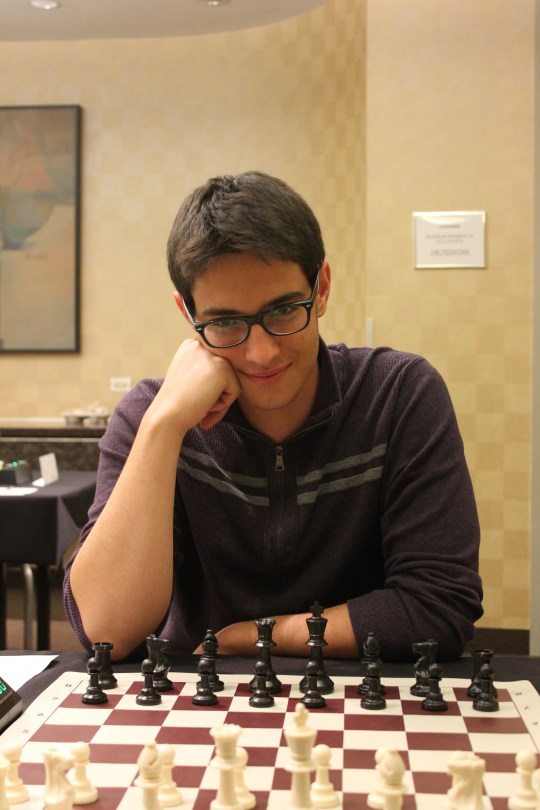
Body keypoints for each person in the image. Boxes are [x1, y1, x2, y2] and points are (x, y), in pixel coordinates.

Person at [63, 171, 483, 662]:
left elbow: (438, 606)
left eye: (283, 311)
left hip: (361, 693)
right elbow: (105, 631)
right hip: (197, 697)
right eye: (225, 322)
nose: (261, 354)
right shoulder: (148, 416)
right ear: (188, 315)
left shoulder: (400, 393)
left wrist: (254, 636)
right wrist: (164, 427)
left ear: (321, 289)